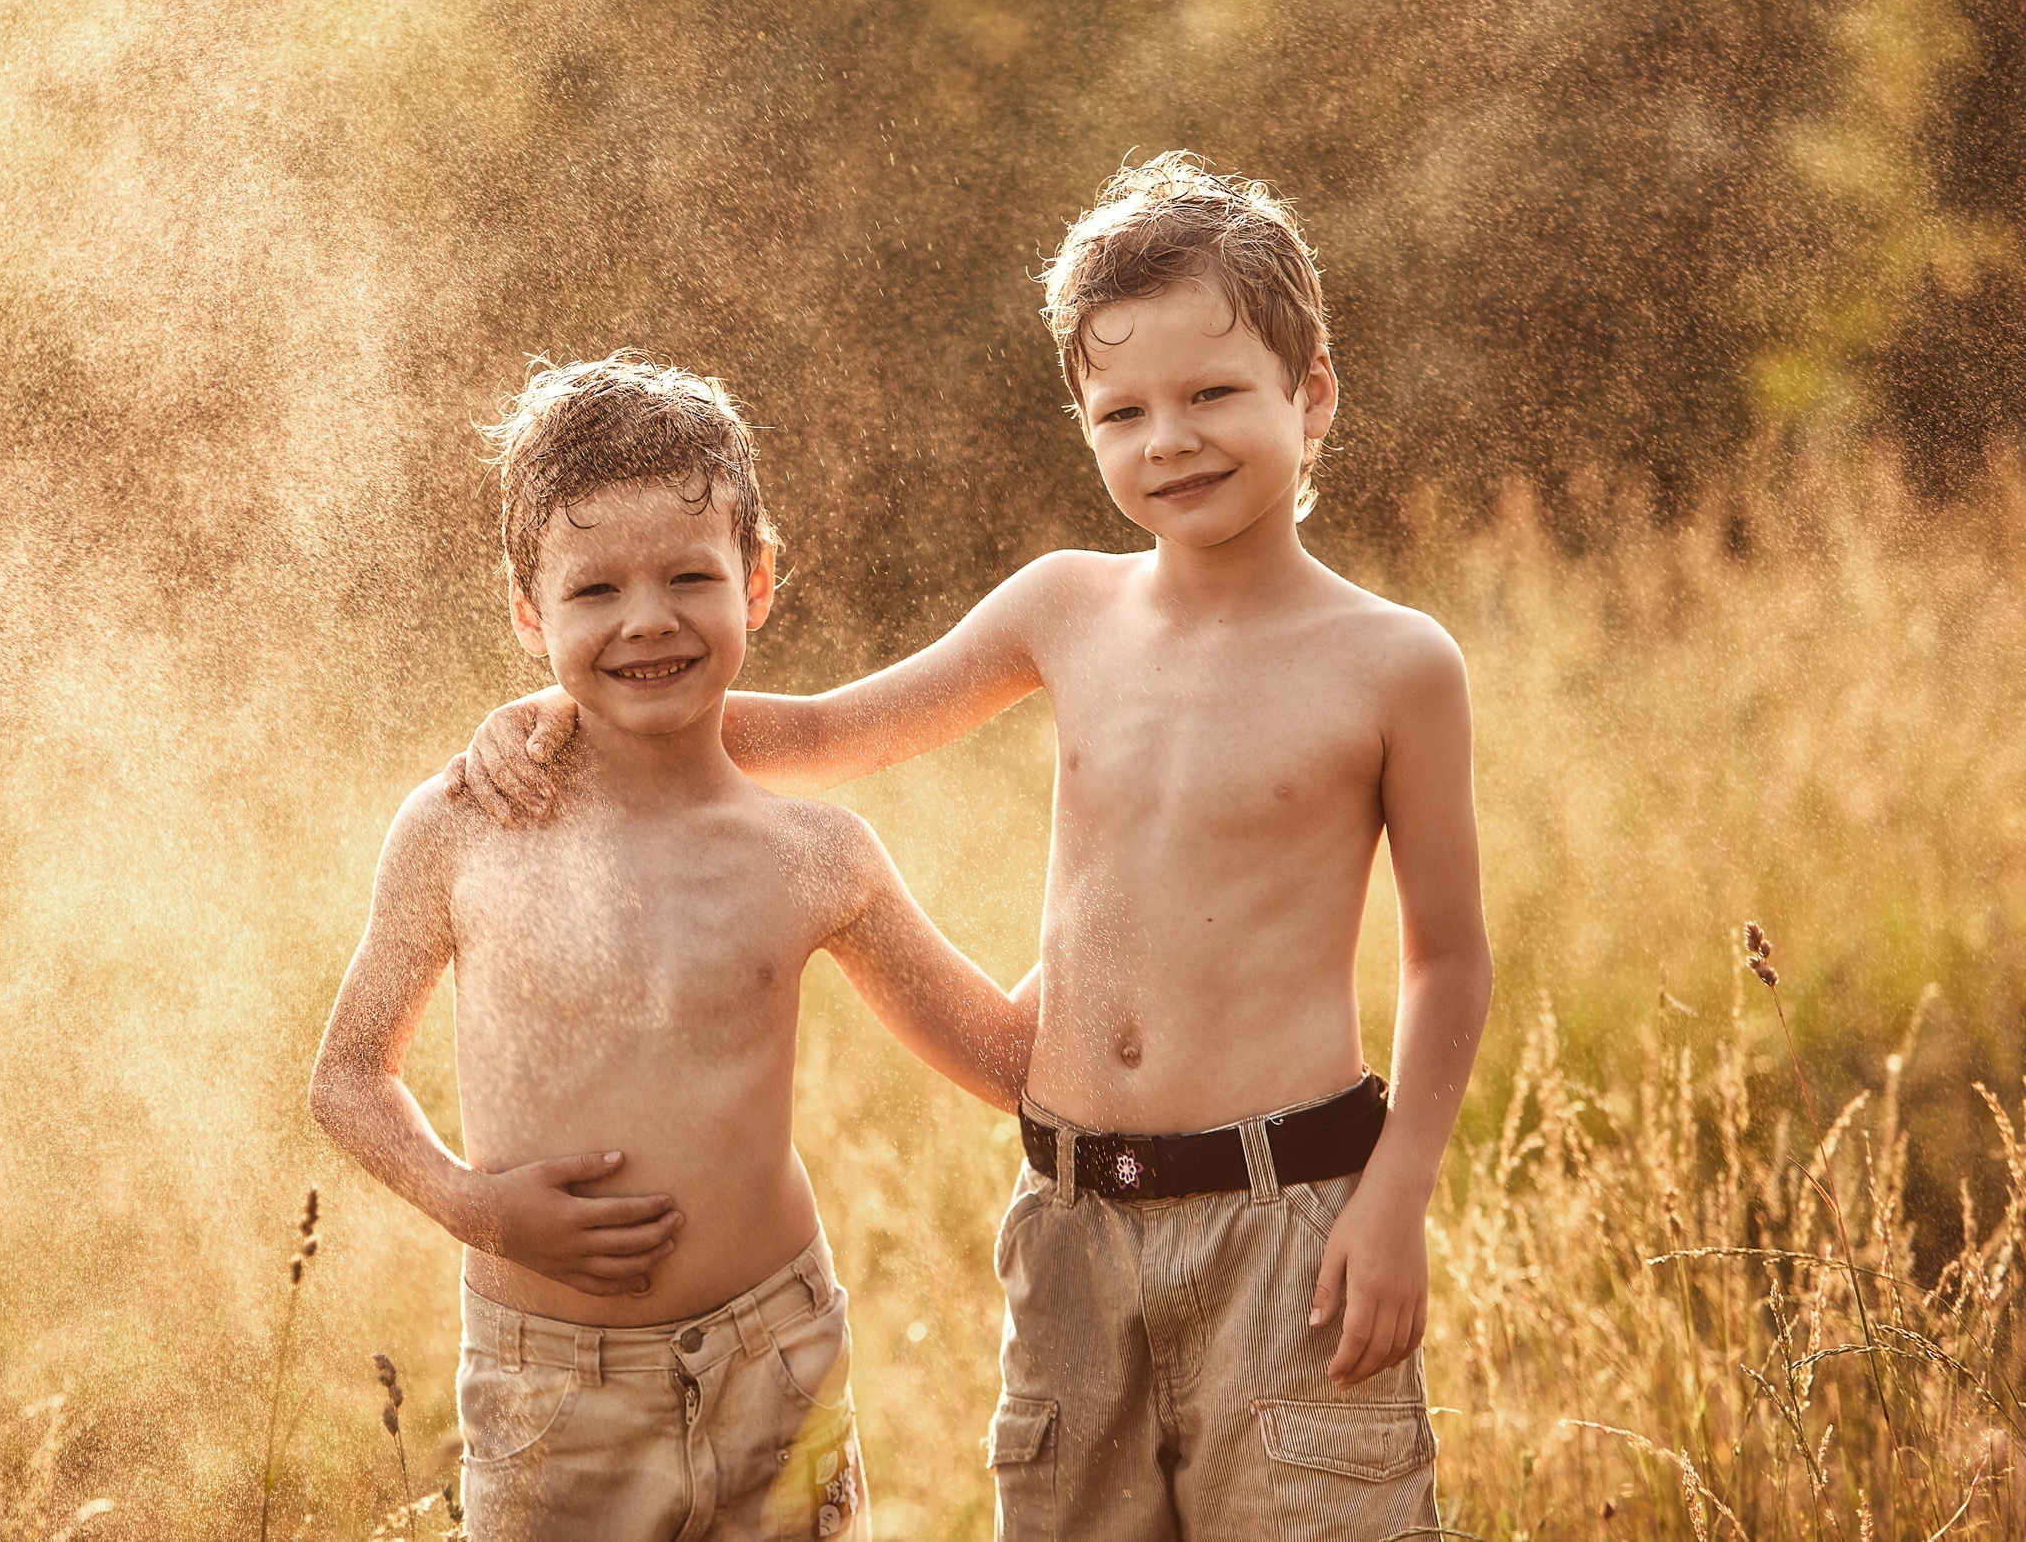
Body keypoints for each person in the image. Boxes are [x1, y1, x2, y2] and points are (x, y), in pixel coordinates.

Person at [451, 155, 1494, 1540]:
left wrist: (1395, 1195)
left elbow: (1449, 954)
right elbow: (826, 726)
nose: (1167, 439)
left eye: (1213, 395)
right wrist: (574, 712)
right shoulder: (1066, 606)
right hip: (1073, 1222)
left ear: (1313, 394)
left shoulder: (1394, 664)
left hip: (1287, 1212)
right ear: (1084, 424)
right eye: (1122, 411)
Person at [311, 353, 1037, 1542]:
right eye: (594, 590)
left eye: (689, 576)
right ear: (524, 609)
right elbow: (346, 1075)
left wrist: (1158, 873)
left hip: (779, 1360)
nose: (647, 618)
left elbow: (1007, 1063)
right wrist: (475, 1207)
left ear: (756, 583)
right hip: (553, 1391)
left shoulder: (817, 856)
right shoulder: (461, 828)